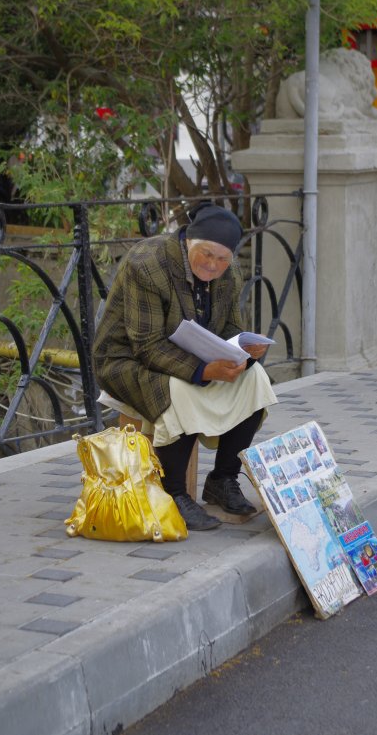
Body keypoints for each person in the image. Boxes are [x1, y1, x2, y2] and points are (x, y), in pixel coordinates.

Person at [93, 203, 278, 531]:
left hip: (191, 356)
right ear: (189, 242)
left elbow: (230, 329)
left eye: (223, 259)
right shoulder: (147, 264)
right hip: (126, 360)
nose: (213, 265)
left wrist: (246, 350)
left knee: (255, 380)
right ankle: (173, 492)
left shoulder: (227, 273)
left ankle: (223, 479)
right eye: (206, 254)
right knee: (180, 388)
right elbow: (146, 345)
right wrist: (205, 372)